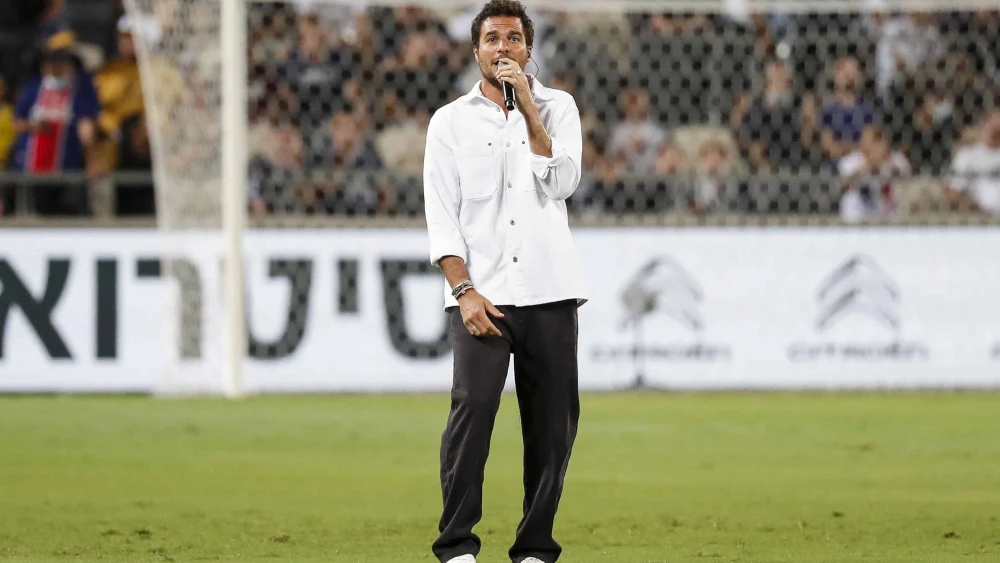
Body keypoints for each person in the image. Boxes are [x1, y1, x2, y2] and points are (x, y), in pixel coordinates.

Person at [421, 2, 587, 563]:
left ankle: (535, 548)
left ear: (528, 49)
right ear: (476, 51)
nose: (503, 47)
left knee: (553, 424)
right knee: (471, 413)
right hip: (482, 296)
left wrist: (530, 110)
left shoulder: (560, 107)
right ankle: (457, 547)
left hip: (549, 290)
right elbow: (442, 216)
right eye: (492, 38)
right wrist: (462, 291)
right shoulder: (449, 122)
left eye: (514, 38)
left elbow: (563, 183)